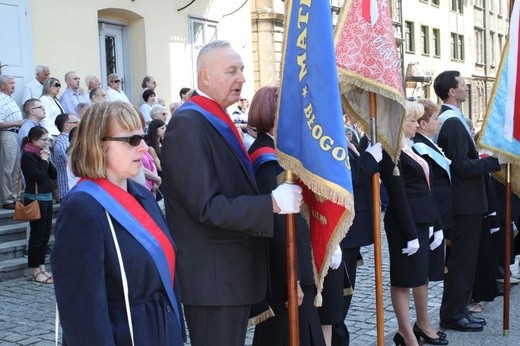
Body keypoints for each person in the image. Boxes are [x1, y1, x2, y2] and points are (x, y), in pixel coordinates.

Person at [162, 40, 303, 346]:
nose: (241, 78)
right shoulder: (188, 125)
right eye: (231, 71)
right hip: (213, 280)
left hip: (229, 275)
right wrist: (271, 204)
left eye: (241, 70)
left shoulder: (215, 118)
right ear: (205, 77)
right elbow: (206, 206)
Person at [52, 101, 185, 345]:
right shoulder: (81, 209)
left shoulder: (142, 194)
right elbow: (82, 313)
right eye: (133, 140)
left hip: (160, 331)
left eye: (143, 137)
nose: (144, 147)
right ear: (100, 146)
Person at [246, 86, 325, 346]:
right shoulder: (266, 160)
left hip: (295, 261)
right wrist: (294, 280)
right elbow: (278, 225)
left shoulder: (277, 150)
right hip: (286, 272)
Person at [434, 70, 501, 332]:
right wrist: (494, 163)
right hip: (464, 203)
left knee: (466, 259)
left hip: (468, 202)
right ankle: (452, 314)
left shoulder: (453, 119)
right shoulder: (451, 122)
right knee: (461, 261)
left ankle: (459, 309)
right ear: (451, 91)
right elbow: (461, 166)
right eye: (462, 85)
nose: (466, 88)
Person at [380, 101, 447, 346]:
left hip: (422, 219)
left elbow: (427, 188)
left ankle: (416, 327)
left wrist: (436, 224)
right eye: (411, 121)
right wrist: (410, 234)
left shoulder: (410, 147)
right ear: (399, 123)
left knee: (419, 276)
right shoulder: (392, 151)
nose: (416, 125)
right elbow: (399, 196)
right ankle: (406, 333)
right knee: (403, 279)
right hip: (404, 224)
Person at [331, 132, 382, 345]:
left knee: (345, 293)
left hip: (353, 230)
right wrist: (369, 159)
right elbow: (343, 179)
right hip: (341, 230)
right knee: (338, 295)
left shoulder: (343, 135)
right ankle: (336, 337)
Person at [412, 99, 452, 283]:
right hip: (434, 213)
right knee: (426, 271)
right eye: (436, 118)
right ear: (422, 124)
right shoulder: (419, 146)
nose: (440, 121)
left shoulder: (428, 142)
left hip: (442, 211)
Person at [20, 126, 56, 284]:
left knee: (45, 236)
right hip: (35, 199)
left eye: (48, 139)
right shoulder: (28, 156)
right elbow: (39, 177)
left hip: (46, 198)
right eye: (44, 139)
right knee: (37, 236)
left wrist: (47, 159)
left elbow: (53, 175)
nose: (47, 142)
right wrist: (43, 160)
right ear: (34, 140)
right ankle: (35, 270)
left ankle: (42, 267)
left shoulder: (42, 154)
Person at [0, 75, 25, 209]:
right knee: (7, 167)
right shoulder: (0, 99)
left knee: (16, 168)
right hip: (8, 134)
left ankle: (15, 197)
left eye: (14, 83)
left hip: (16, 134)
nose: (14, 85)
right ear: (2, 85)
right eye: (10, 83)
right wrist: (18, 122)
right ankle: (7, 199)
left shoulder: (10, 99)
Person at [53, 113, 80, 202]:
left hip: (72, 188)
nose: (79, 124)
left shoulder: (67, 141)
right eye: (76, 122)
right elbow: (74, 164)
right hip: (68, 189)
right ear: (67, 126)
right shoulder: (64, 143)